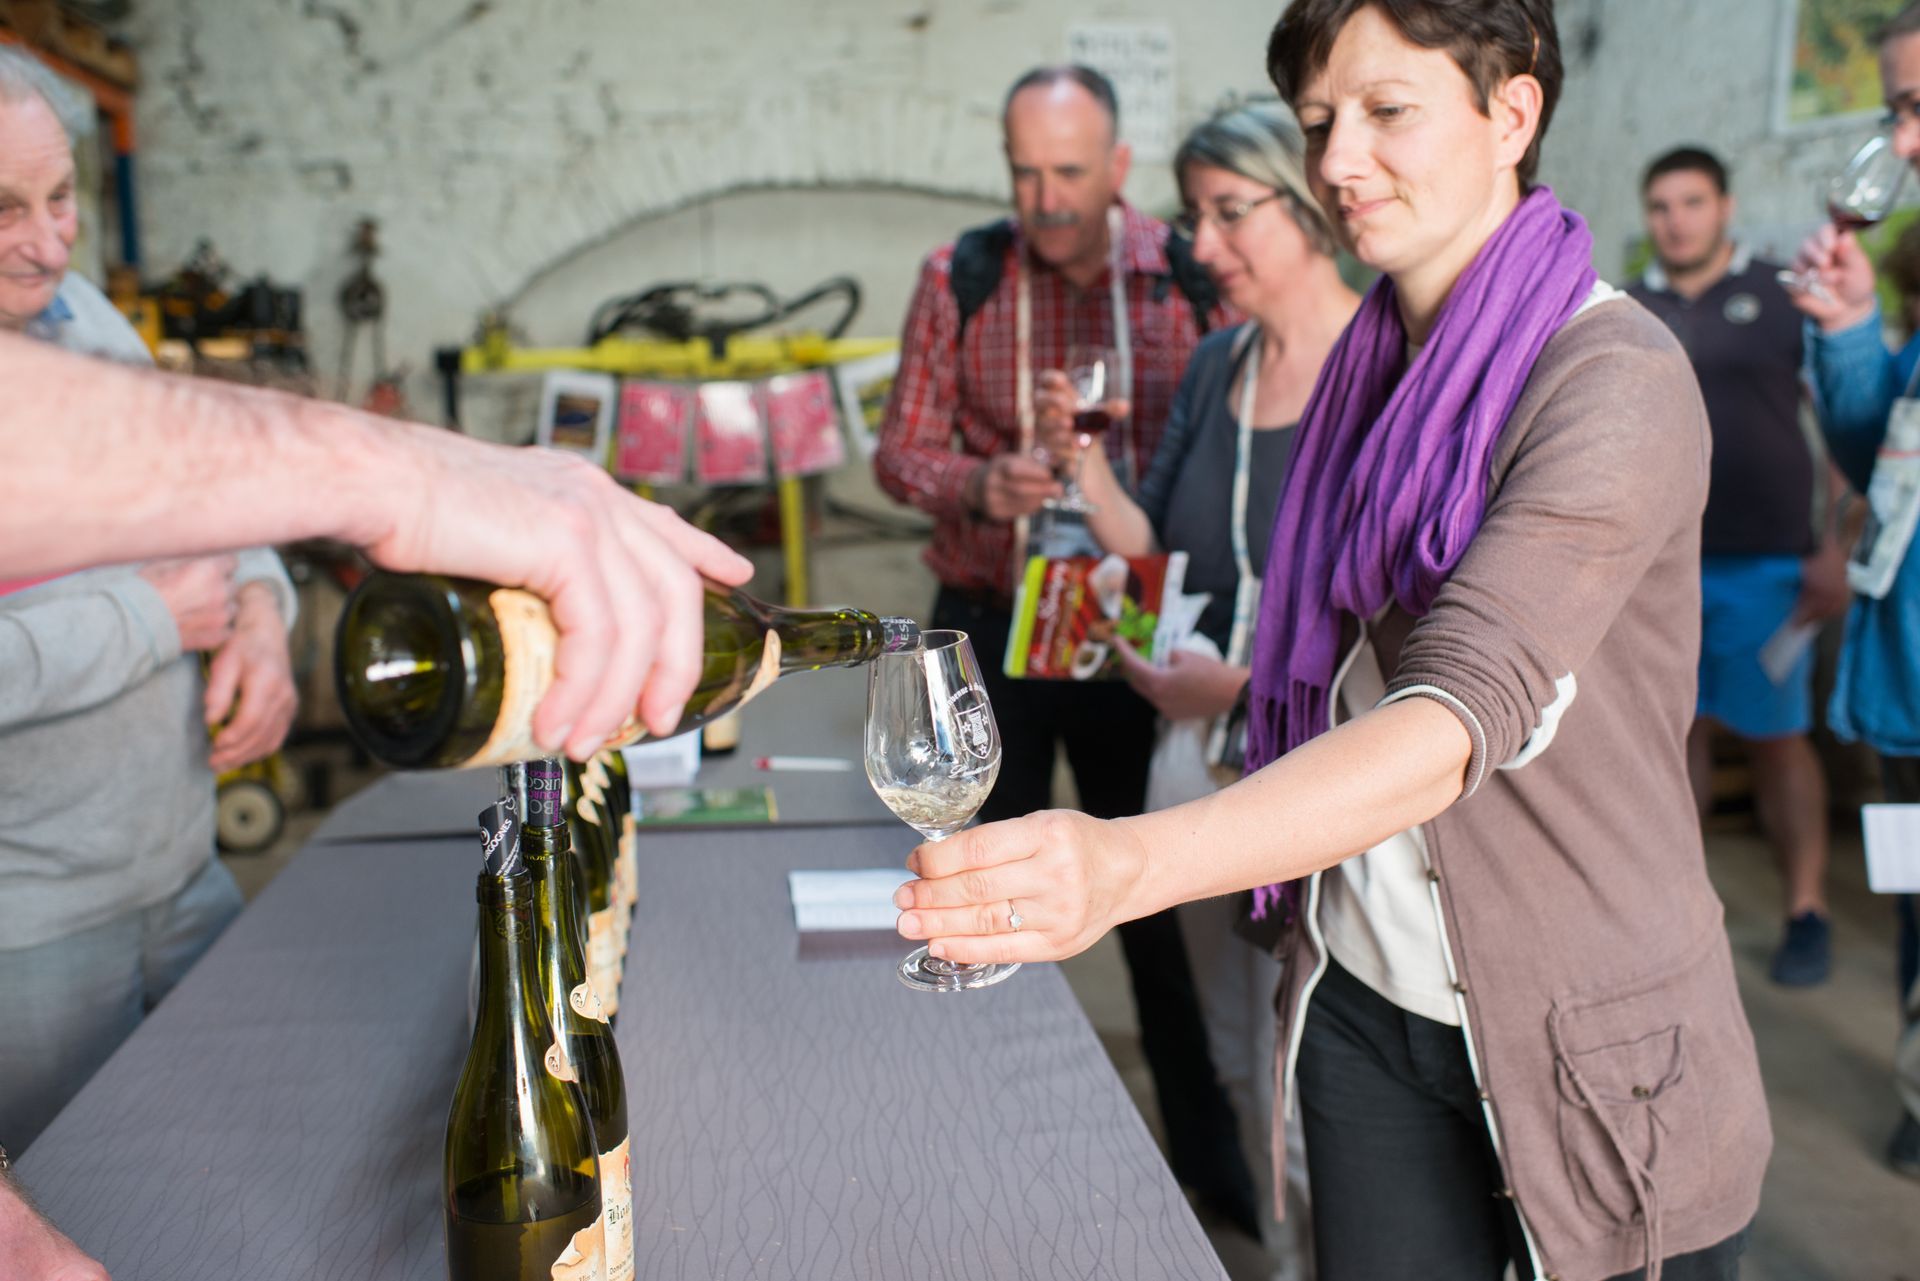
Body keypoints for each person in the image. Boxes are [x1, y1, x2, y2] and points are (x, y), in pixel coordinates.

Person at [894, 3, 1770, 1279]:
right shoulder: (1371, 377)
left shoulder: (1611, 377)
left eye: (1388, 111)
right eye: (1318, 124)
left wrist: (1126, 865)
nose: (1340, 163)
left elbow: (1452, 713)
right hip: (1361, 988)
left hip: (1583, 1026)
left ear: (1512, 112)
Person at [873, 64, 1257, 1232]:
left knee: (1158, 894)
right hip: (993, 620)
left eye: (1070, 174)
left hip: (1131, 615)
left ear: (1120, 168)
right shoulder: (962, 274)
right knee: (975, 892)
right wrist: (979, 482)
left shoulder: (1187, 269)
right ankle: (982, 1155)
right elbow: (898, 453)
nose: (1044, 200)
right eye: (1025, 173)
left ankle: (1219, 1177)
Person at [1034, 98, 1358, 1278]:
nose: (1202, 245)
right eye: (1193, 218)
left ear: (1309, 203)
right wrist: (1081, 467)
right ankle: (1281, 1247)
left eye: (1229, 214)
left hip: (1326, 755)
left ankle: (1337, 1249)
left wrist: (1246, 681)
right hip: (1200, 747)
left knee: (1320, 1045)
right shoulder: (1222, 363)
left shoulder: (1391, 366)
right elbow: (1157, 545)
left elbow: (1413, 614)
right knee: (1234, 1043)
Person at [0, 48, 301, 1162]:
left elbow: (211, 499)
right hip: (30, 930)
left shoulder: (82, 317)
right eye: (5, 211)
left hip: (186, 874)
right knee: (70, 1199)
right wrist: (151, 621)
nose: (50, 243)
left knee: (238, 1164)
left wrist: (262, 611)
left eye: (61, 196)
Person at [1626, 144, 1849, 986]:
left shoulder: (1783, 298)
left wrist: (1834, 545)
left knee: (1776, 740)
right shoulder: (1627, 307)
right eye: (1661, 206)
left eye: (1692, 202)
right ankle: (1677, 912)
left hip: (1768, 566)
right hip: (1659, 570)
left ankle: (1805, 909)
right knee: (1672, 738)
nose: (1676, 220)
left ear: (1724, 207)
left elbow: (1840, 426)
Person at [1785, 0, 1920, 1181]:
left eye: (1919, 108)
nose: (1903, 143)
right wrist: (1851, 327)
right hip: (1907, 697)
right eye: (1896, 110)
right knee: (1917, 909)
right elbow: (1887, 453)